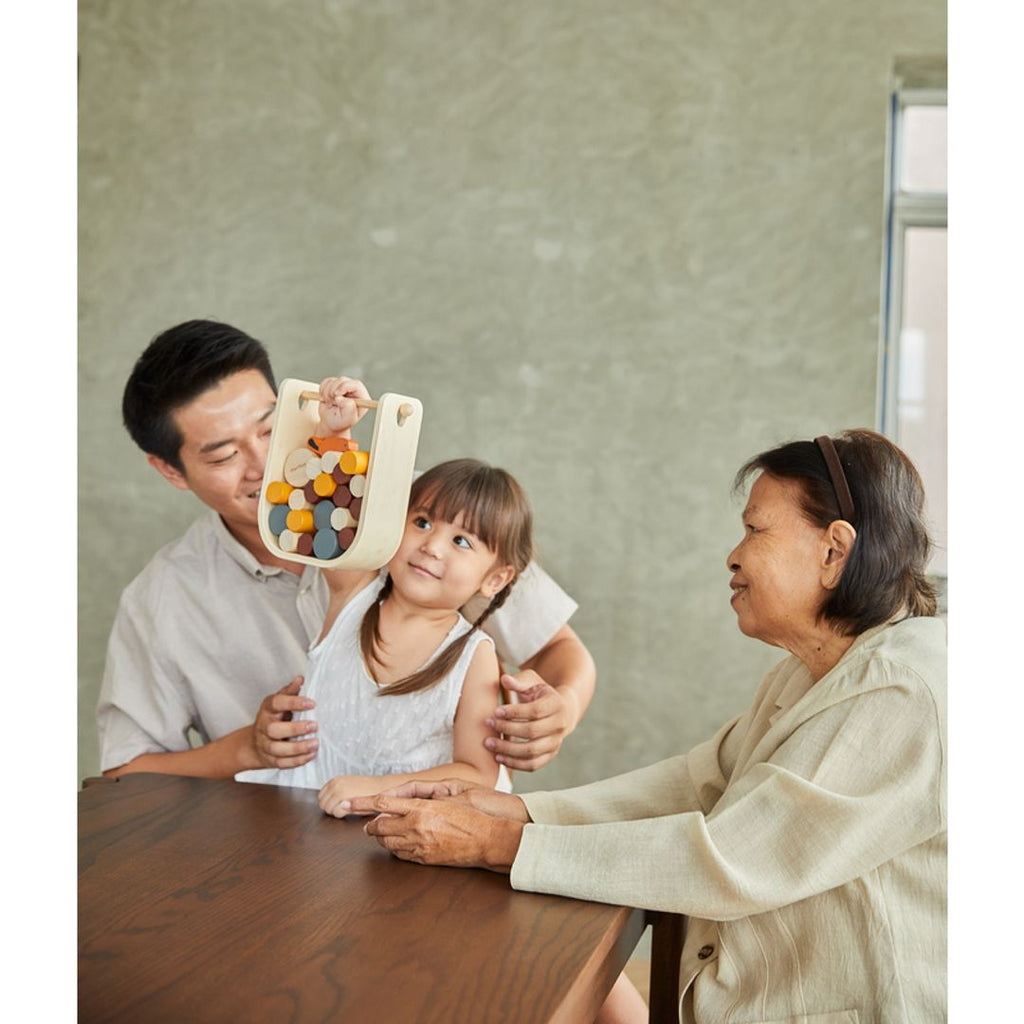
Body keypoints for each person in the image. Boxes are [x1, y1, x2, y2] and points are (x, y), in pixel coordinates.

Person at [345, 430, 947, 1024]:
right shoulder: (810, 673)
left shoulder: (902, 687)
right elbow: (693, 784)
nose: (732, 556)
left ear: (834, 551)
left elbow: (732, 859)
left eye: (755, 529)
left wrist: (496, 843)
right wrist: (521, 814)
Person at [97, 320, 596, 779]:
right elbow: (122, 776)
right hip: (275, 857)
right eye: (225, 455)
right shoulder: (162, 598)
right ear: (169, 471)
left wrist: (560, 710)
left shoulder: (425, 515)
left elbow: (559, 650)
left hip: (438, 838)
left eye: (270, 429)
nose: (262, 462)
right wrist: (247, 749)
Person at [239, 457, 534, 808]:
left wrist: (377, 788)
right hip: (294, 819)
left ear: (495, 579)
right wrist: (334, 429)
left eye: (462, 541)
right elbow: (328, 498)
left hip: (394, 844)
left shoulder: (474, 655)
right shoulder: (352, 592)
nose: (432, 546)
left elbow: (477, 772)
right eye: (422, 522)